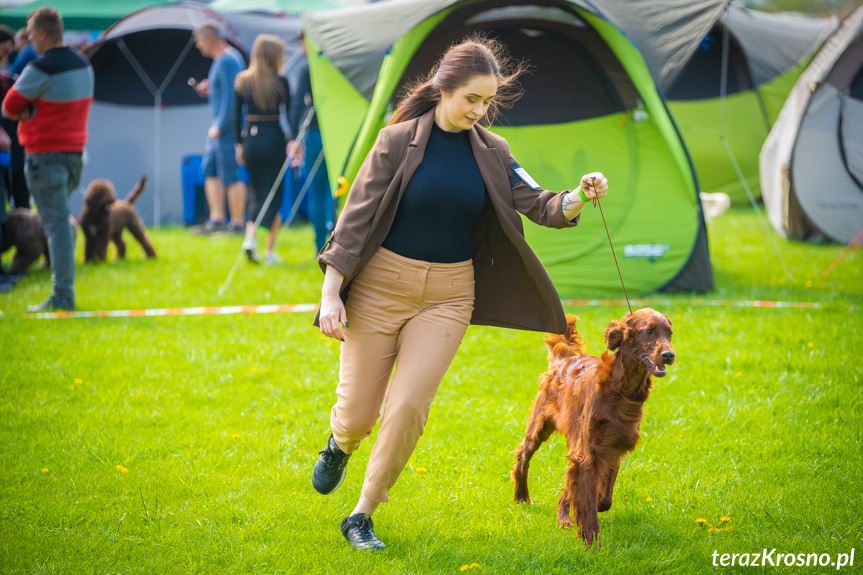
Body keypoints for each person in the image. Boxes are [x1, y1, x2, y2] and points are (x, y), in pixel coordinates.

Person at [311, 36, 609, 550]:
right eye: (472, 98)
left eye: (488, 101)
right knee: (359, 414)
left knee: (407, 408)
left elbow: (540, 204)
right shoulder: (396, 141)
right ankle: (340, 443)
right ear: (443, 89)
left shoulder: (495, 152)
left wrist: (579, 197)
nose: (480, 110)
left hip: (449, 296)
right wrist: (331, 292)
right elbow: (354, 220)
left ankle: (361, 515)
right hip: (380, 288)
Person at [1, 7, 93, 311]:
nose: (27, 42)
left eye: (30, 34)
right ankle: (61, 289)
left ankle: (63, 294)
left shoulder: (40, 68)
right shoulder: (83, 64)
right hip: (75, 156)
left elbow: (9, 106)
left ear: (41, 34)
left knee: (56, 227)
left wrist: (28, 111)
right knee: (59, 223)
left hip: (45, 157)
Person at [234, 34, 292, 265]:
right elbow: (292, 113)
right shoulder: (281, 81)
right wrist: (294, 139)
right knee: (274, 194)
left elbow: (234, 116)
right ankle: (269, 251)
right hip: (274, 141)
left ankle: (250, 239)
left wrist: (238, 145)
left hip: (251, 142)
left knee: (256, 193)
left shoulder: (242, 80)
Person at [190, 20, 247, 235]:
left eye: (198, 41)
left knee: (231, 174)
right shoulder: (222, 61)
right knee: (210, 170)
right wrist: (210, 86)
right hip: (218, 129)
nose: (198, 46)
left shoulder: (227, 61)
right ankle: (216, 220)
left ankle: (237, 224)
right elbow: (224, 88)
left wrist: (221, 125)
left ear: (209, 39)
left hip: (227, 129)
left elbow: (234, 96)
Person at [289, 30, 333, 255]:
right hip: (337, 132)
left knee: (317, 190)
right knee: (335, 190)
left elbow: (298, 104)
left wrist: (293, 137)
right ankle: (337, 243)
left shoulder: (307, 67)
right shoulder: (334, 63)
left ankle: (319, 246)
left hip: (315, 133)